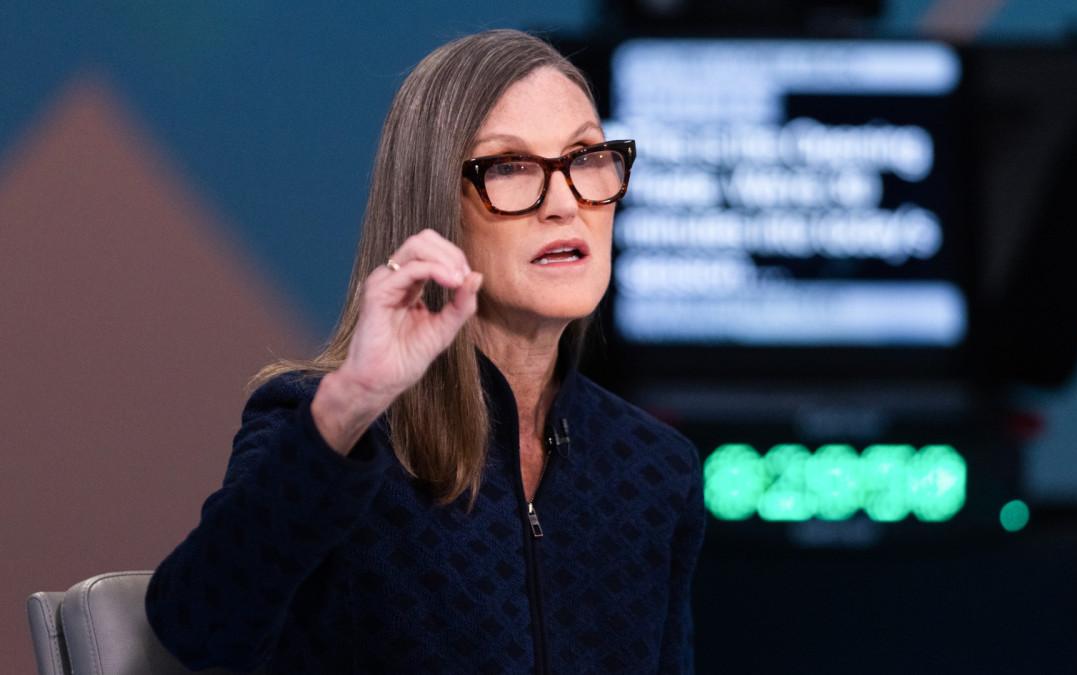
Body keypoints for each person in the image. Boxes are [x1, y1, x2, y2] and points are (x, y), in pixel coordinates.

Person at [145, 29, 705, 674]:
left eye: (585, 156)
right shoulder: (325, 427)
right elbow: (198, 629)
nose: (563, 203)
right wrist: (351, 405)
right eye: (509, 166)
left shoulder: (655, 467)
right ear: (435, 206)